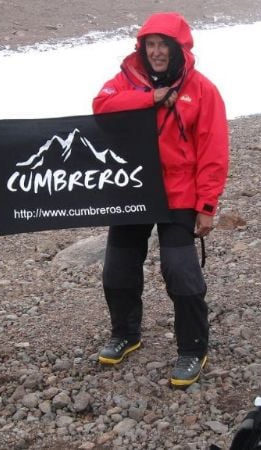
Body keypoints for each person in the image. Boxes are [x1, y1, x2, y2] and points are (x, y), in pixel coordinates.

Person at [92, 12, 229, 388]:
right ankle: (125, 333)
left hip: (179, 192)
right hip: (133, 189)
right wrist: (148, 98)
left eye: (163, 45)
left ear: (178, 49)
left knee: (180, 270)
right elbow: (101, 106)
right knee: (117, 268)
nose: (156, 52)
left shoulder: (202, 89)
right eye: (150, 45)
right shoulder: (126, 79)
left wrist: (207, 205)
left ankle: (193, 348)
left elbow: (213, 150)